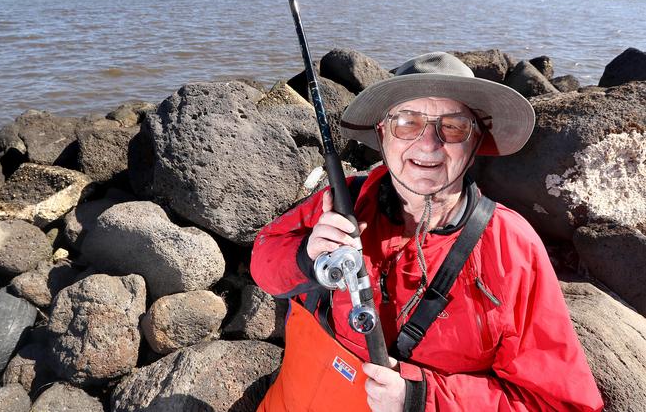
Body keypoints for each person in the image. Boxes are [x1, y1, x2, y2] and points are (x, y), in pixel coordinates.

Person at [251, 52, 603, 411]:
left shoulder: (512, 248)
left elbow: (558, 403)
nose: (429, 143)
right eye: (407, 122)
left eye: (453, 126)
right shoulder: (341, 202)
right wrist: (306, 258)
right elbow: (264, 261)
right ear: (382, 132)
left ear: (475, 141)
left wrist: (422, 398)